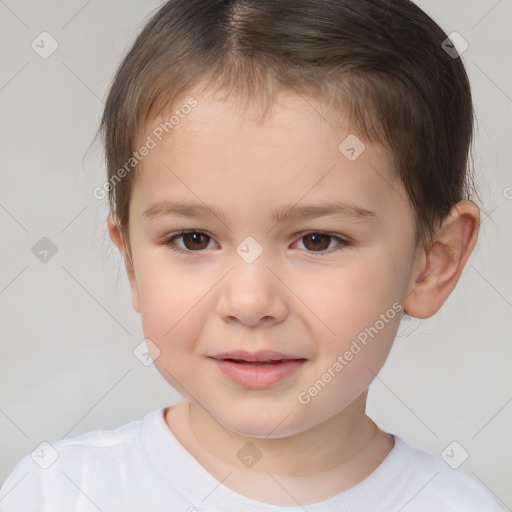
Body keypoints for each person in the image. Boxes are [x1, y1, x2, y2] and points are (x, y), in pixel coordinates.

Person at [0, 0, 505, 510]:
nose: (249, 301)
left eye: (317, 240)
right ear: (131, 260)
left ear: (432, 262)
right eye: (193, 239)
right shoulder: (59, 493)